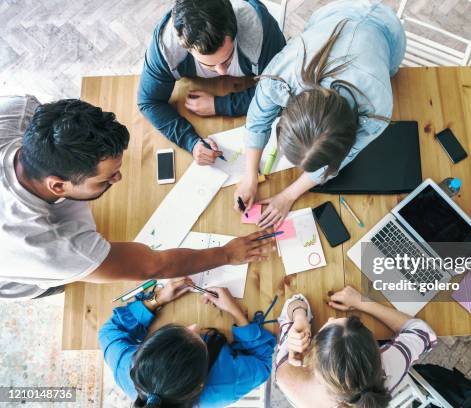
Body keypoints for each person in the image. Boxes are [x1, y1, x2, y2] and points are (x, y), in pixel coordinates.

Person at [0, 95, 274, 300]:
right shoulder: (47, 248)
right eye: (106, 178)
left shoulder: (19, 112)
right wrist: (227, 253)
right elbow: (152, 266)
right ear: (58, 186)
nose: (118, 179)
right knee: (76, 282)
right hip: (15, 270)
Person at [234, 0, 405, 228]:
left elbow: (342, 158)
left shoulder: (377, 110)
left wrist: (288, 196)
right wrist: (249, 175)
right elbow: (257, 120)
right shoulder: (282, 73)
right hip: (335, 13)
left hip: (386, 30)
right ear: (289, 110)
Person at [138, 0, 286, 165]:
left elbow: (280, 92)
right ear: (185, 47)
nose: (222, 72)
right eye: (209, 65)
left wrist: (221, 104)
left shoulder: (261, 32)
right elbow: (148, 102)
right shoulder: (165, 49)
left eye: (228, 58)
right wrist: (191, 142)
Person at [99, 278, 276, 408]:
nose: (194, 326)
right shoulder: (224, 386)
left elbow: (108, 332)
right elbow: (263, 361)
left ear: (142, 353)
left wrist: (157, 299)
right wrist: (236, 312)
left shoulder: (128, 370)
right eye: (198, 339)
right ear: (201, 381)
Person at [275, 286, 437, 407]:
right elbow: (423, 332)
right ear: (377, 353)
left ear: (312, 362)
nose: (331, 318)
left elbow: (296, 300)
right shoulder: (389, 367)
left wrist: (299, 316)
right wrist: (361, 302)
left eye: (328, 325)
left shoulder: (288, 376)